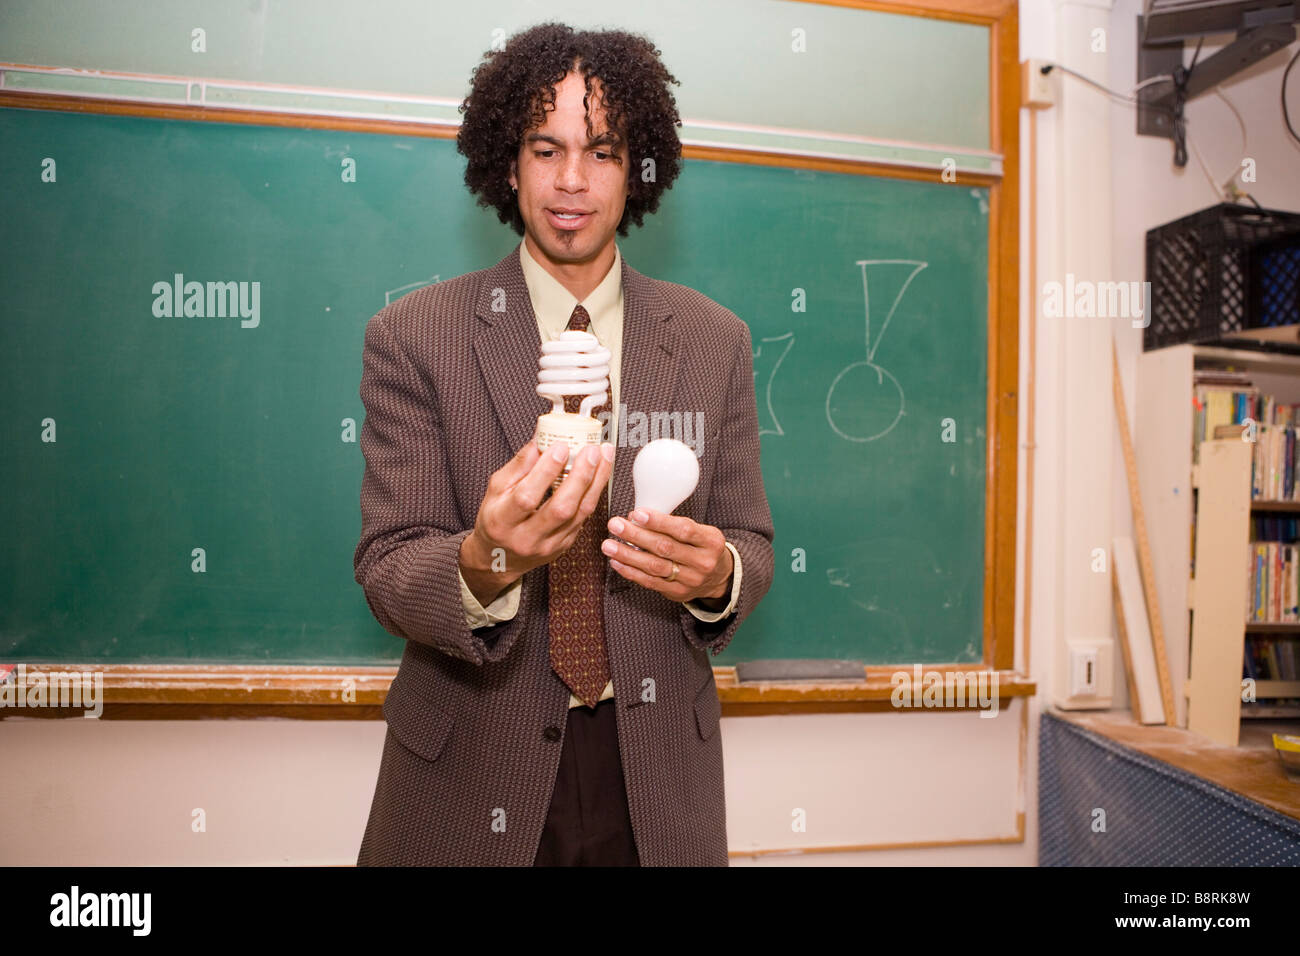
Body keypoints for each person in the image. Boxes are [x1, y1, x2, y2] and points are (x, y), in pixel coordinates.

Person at [353, 22, 774, 866]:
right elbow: (388, 565)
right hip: (468, 772)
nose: (573, 181)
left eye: (604, 152)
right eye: (547, 150)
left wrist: (717, 576)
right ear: (507, 166)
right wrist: (483, 559)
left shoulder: (712, 339)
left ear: (637, 169)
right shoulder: (414, 336)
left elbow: (751, 544)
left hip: (655, 780)